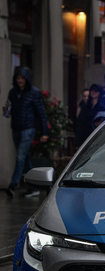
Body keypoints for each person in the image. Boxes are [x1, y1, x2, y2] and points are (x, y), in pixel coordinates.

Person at [3, 66, 49, 198]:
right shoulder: (12, 92)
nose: (20, 81)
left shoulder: (33, 92)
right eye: (18, 78)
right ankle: (35, 187)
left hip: (28, 128)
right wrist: (6, 109)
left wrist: (44, 132)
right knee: (25, 158)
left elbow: (41, 113)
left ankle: (12, 185)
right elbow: (8, 112)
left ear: (27, 79)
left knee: (20, 157)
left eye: (22, 78)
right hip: (16, 128)